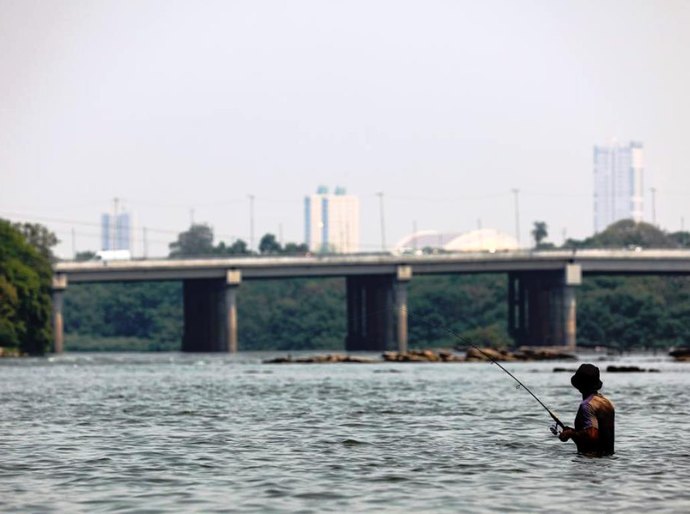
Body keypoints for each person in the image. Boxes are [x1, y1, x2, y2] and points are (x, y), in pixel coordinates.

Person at [558, 363, 615, 456]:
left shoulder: (587, 405)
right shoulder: (607, 403)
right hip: (607, 463)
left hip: (589, 462)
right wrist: (572, 431)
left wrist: (571, 434)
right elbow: (599, 434)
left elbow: (592, 435)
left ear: (579, 385)